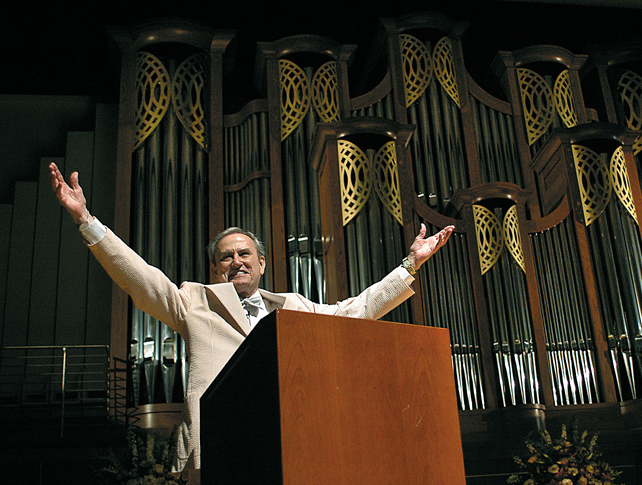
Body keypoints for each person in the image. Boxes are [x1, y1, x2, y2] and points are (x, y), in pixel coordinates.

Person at [49, 162, 454, 481]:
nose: (236, 261)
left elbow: (356, 311)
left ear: (261, 263)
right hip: (216, 447)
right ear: (216, 267)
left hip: (287, 442)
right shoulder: (195, 300)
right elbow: (141, 277)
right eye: (226, 256)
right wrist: (87, 220)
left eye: (244, 254)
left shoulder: (294, 306)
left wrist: (409, 265)